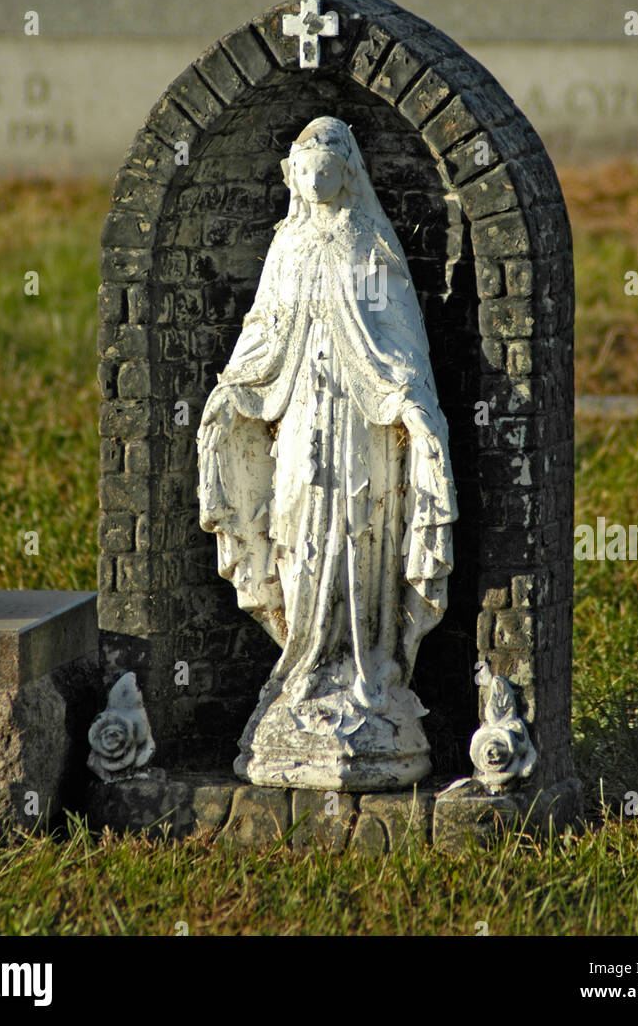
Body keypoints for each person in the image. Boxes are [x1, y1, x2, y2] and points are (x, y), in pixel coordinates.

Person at [198, 116, 457, 788]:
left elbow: (398, 333)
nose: (318, 177)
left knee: (357, 537)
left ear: (348, 173)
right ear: (296, 176)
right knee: (296, 538)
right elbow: (265, 327)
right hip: (299, 419)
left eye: (330, 162)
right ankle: (305, 666)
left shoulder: (369, 242)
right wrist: (234, 388)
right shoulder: (287, 247)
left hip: (360, 426)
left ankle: (365, 667)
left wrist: (407, 400)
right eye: (307, 165)